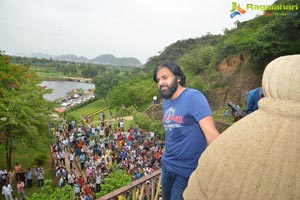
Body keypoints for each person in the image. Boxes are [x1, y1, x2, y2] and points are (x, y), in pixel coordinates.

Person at [153, 61, 220, 200]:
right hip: (167, 166)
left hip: (186, 171)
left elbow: (212, 136)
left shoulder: (194, 97)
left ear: (178, 77)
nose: (161, 83)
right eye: (158, 80)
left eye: (165, 77)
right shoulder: (166, 103)